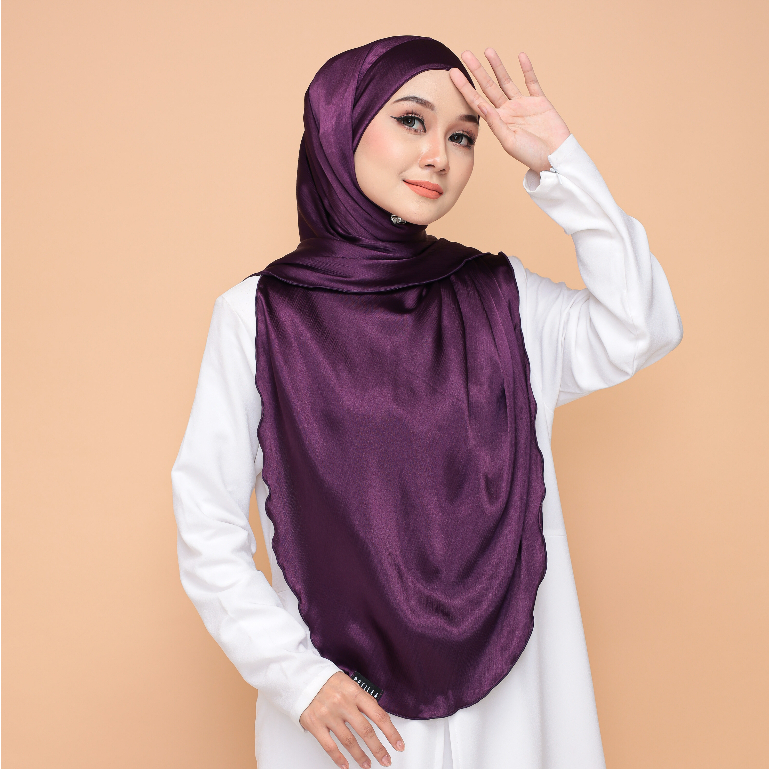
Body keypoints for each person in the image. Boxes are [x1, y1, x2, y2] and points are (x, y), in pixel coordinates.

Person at [172, 35, 683, 769]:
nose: (439, 156)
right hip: (346, 711)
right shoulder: (258, 315)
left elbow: (640, 328)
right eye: (411, 121)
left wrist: (559, 162)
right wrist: (295, 677)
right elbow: (206, 518)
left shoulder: (502, 299)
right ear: (342, 124)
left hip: (511, 698)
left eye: (462, 136)